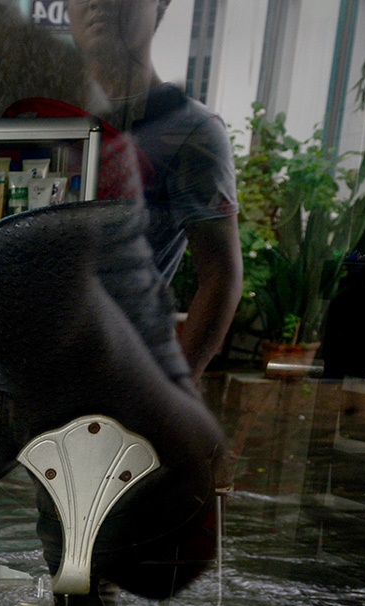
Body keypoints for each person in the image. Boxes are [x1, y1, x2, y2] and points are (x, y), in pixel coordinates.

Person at [67, 0, 241, 380]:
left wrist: (171, 392)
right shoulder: (43, 116)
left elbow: (221, 275)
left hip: (102, 384)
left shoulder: (190, 130)